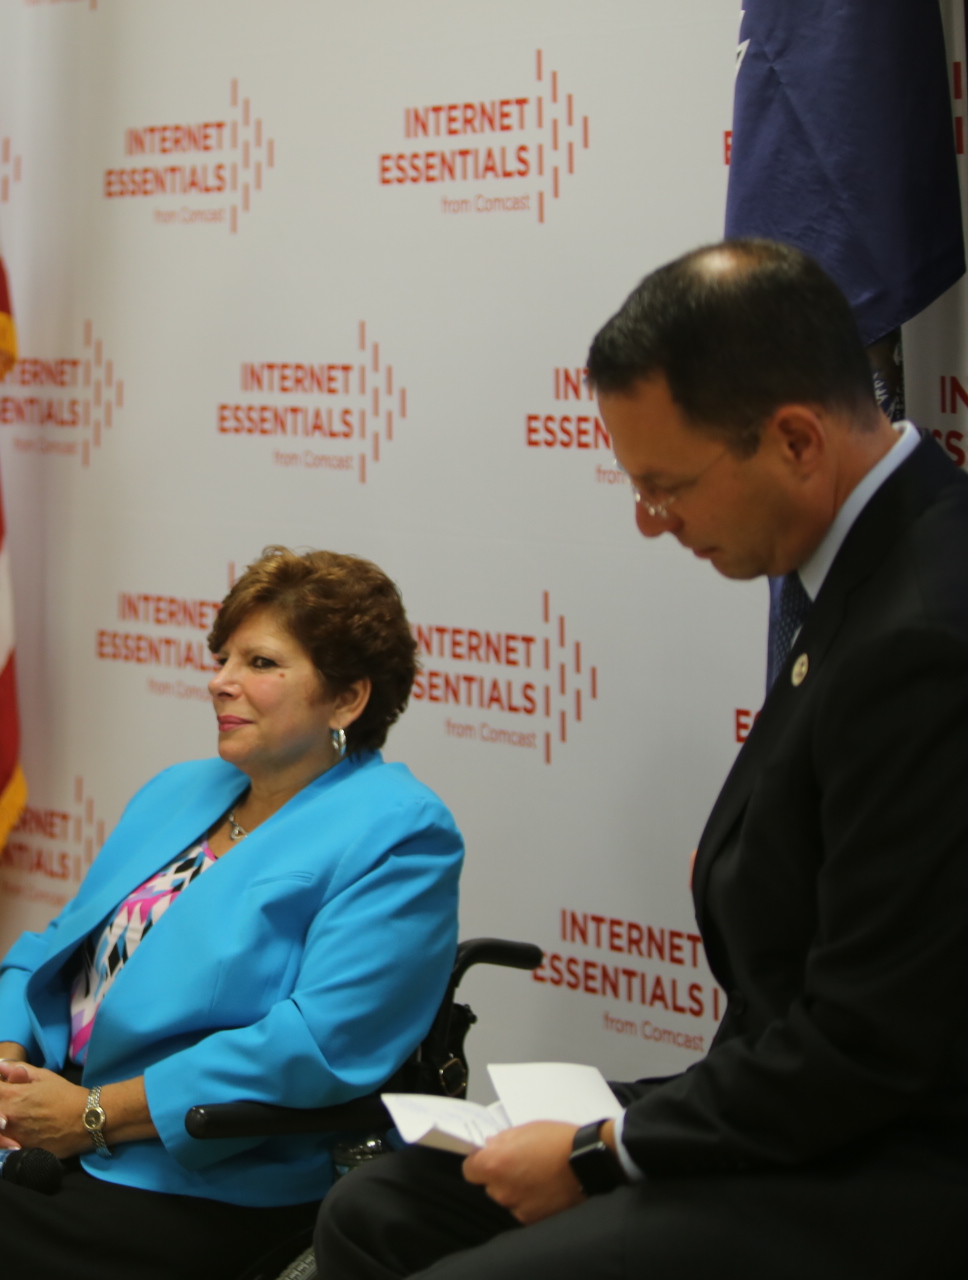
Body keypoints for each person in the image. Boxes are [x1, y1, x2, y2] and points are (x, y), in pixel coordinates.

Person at [315, 240, 968, 1279]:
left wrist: (603, 1150)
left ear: (797, 440)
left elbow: (869, 1047)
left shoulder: (925, 630)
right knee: (384, 1206)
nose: (649, 521)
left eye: (667, 486)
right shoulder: (861, 572)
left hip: (896, 1158)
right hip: (803, 1103)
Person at [0, 547, 465, 1280]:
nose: (220, 681)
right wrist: (5, 1070)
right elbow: (50, 950)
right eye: (222, 658)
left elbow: (316, 1045)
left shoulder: (399, 830)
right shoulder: (182, 790)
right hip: (54, 1126)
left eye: (260, 663)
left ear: (347, 699)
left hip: (213, 1171)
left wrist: (89, 1114)